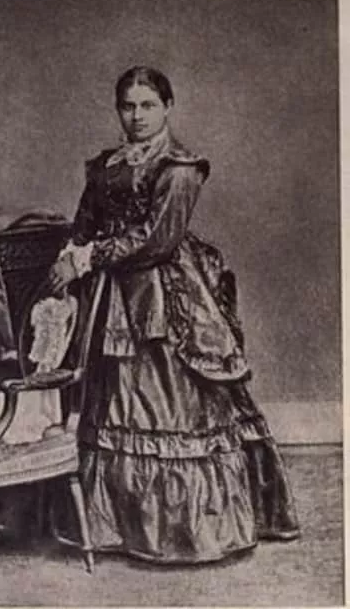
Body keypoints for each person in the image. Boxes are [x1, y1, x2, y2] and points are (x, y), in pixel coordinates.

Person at [48, 65, 300, 564]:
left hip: (162, 294)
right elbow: (86, 222)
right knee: (111, 398)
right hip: (109, 296)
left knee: (167, 399)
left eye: (148, 105)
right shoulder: (104, 165)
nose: (137, 116)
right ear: (117, 109)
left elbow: (158, 240)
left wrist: (90, 257)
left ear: (167, 107)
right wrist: (71, 253)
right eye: (128, 106)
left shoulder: (180, 167)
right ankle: (114, 527)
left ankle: (184, 533)